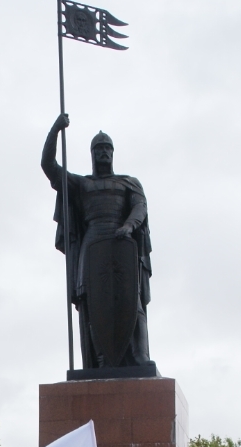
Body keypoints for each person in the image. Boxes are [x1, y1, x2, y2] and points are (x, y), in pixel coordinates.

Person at [42, 112, 153, 370]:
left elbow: (140, 207)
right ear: (92, 154)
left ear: (113, 153)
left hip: (121, 244)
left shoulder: (128, 183)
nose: (104, 153)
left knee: (132, 301)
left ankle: (140, 356)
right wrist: (56, 130)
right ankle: (101, 359)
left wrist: (128, 225)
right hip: (91, 248)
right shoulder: (80, 184)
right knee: (92, 305)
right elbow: (48, 165)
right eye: (99, 149)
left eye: (107, 149)